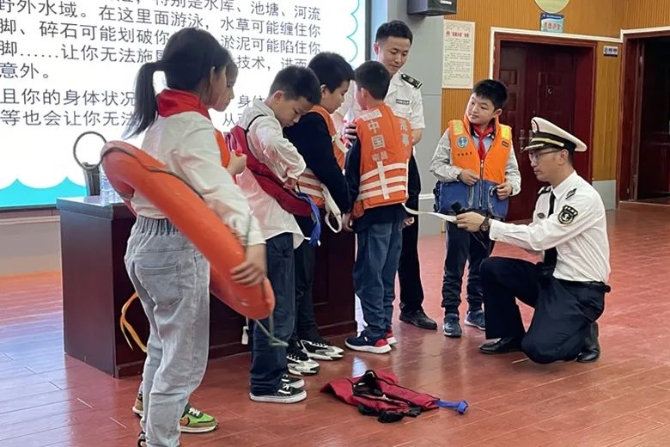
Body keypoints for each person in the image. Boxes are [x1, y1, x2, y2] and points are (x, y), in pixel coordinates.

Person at [122, 28, 266, 447]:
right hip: (175, 248)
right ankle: (161, 441)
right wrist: (253, 241)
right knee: (182, 363)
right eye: (228, 81)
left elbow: (186, 182)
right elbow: (220, 193)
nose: (230, 91)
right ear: (213, 73)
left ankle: (151, 437)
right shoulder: (193, 126)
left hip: (143, 244)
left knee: (162, 347)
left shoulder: (161, 120)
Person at [455, 117, 610, 364]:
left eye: (538, 155)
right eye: (531, 155)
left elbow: (539, 238)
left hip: (580, 290)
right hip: (551, 278)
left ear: (562, 156)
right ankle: (511, 335)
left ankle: (583, 329)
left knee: (539, 350)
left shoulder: (583, 198)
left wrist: (487, 224)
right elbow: (535, 246)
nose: (532, 162)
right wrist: (484, 228)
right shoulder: (546, 195)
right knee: (492, 268)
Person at [334, 20, 437, 332]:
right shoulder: (356, 82)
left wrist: (392, 138)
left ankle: (411, 307)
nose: (399, 59)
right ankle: (371, 318)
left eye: (405, 53)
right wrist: (346, 132)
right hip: (365, 168)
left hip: (403, 170)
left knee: (404, 242)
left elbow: (418, 129)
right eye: (393, 51)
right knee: (371, 248)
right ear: (376, 47)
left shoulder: (410, 87)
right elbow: (335, 119)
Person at [236, 65, 322, 402]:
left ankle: (270, 374)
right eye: (296, 111)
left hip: (258, 226)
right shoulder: (266, 123)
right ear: (279, 96)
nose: (296, 121)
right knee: (278, 309)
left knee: (268, 307)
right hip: (271, 228)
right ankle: (267, 382)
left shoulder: (249, 116)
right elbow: (274, 143)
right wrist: (296, 166)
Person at [429, 80, 521, 338]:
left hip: (488, 216)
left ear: (496, 112)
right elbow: (436, 165)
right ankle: (450, 313)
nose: (474, 110)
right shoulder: (454, 132)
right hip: (458, 213)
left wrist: (510, 187)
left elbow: (513, 173)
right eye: (472, 102)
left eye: (483, 106)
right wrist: (458, 173)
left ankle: (475, 310)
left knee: (481, 265)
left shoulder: (504, 138)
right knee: (454, 264)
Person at [283, 52, 354, 361]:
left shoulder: (315, 117)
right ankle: (292, 342)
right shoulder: (312, 119)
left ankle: (307, 335)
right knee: (297, 280)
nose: (343, 100)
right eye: (341, 93)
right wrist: (348, 203)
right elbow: (326, 167)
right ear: (323, 90)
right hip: (298, 208)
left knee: (304, 278)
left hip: (307, 210)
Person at [343, 60, 414, 354]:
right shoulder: (403, 124)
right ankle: (385, 327)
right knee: (386, 273)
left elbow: (352, 173)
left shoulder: (361, 125)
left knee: (368, 274)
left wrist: (346, 210)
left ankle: (374, 335)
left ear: (361, 92)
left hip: (372, 210)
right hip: (398, 208)